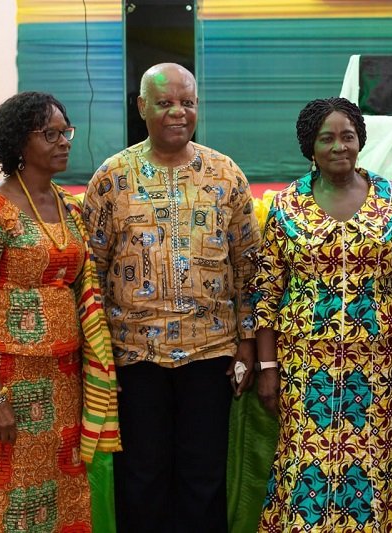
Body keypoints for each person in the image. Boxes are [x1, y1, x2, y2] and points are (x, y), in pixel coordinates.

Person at [82, 63, 260, 532]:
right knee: (141, 480)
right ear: (142, 107)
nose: (178, 112)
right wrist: (99, 357)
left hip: (210, 353)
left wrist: (246, 343)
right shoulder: (111, 178)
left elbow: (248, 266)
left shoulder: (226, 174)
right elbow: (90, 271)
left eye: (188, 102)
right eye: (165, 103)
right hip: (134, 356)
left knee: (203, 480)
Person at [252, 97, 392, 532]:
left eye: (347, 136)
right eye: (326, 138)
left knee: (374, 461)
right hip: (304, 368)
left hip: (376, 367)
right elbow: (267, 290)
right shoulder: (287, 205)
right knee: (303, 463)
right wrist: (267, 367)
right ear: (310, 146)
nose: (338, 146)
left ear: (360, 140)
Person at [0, 91, 119, 532]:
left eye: (66, 132)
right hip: (10, 378)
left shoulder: (69, 206)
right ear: (19, 142)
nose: (64, 141)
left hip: (64, 375)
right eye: (50, 134)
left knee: (63, 487)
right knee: (11, 489)